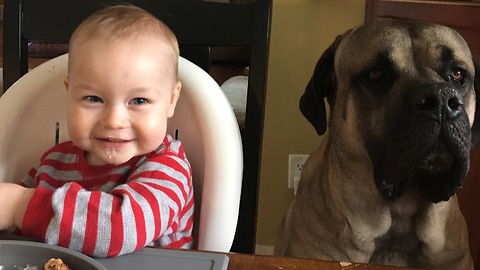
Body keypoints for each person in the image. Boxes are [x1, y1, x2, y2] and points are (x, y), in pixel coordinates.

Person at [0, 5, 194, 257]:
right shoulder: (52, 164)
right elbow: (16, 235)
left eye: (139, 101)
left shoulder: (168, 167)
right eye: (93, 98)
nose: (114, 121)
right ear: (69, 93)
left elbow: (122, 228)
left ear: (171, 100)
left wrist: (19, 205)